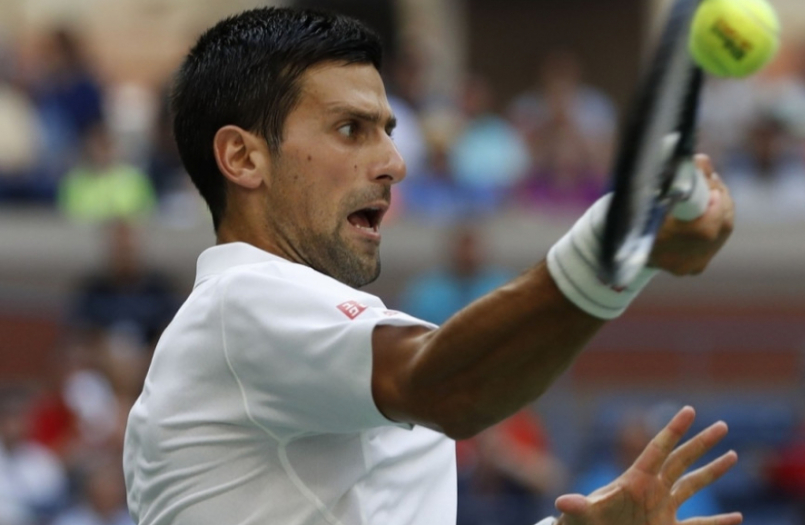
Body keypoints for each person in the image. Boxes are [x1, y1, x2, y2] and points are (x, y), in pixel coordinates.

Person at [122, 7, 738, 525]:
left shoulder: (265, 342)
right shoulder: (239, 303)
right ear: (242, 157)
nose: (395, 163)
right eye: (350, 129)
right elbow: (449, 388)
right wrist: (619, 242)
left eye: (387, 131)